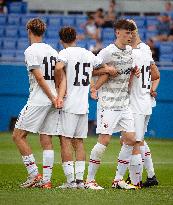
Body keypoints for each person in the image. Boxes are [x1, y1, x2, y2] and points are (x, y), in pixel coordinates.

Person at [54, 26, 115, 189]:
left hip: (68, 104)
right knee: (79, 142)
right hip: (83, 105)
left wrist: (59, 84)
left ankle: (70, 181)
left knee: (65, 141)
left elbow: (59, 68)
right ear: (76, 38)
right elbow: (96, 68)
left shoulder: (64, 54)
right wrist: (107, 69)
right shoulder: (88, 54)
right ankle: (80, 181)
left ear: (61, 41)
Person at [85, 19, 139, 190]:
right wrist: (106, 70)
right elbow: (89, 70)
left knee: (130, 139)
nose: (129, 36)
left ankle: (118, 180)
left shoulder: (130, 51)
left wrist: (134, 70)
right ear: (117, 32)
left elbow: (128, 69)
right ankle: (89, 180)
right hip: (108, 103)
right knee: (104, 140)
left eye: (131, 33)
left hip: (124, 103)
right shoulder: (107, 52)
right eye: (126, 32)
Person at [12, 18, 62, 189]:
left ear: (29, 31)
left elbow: (40, 77)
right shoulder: (53, 51)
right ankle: (46, 181)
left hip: (40, 99)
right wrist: (58, 96)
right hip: (53, 98)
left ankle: (34, 175)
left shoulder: (30, 50)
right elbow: (59, 75)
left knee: (18, 136)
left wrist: (51, 97)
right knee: (46, 138)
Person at [128, 19, 160, 187]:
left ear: (132, 33)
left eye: (126, 32)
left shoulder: (136, 52)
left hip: (138, 102)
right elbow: (157, 74)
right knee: (137, 140)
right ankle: (151, 175)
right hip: (145, 101)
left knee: (134, 141)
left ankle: (136, 179)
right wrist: (152, 88)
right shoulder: (145, 49)